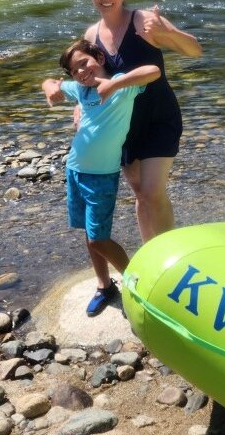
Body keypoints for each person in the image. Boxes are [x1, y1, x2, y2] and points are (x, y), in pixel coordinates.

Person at [82, 0, 202, 243]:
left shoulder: (143, 20)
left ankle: (171, 253)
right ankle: (151, 253)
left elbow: (195, 50)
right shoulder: (91, 36)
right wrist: (79, 109)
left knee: (151, 191)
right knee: (140, 193)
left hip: (159, 116)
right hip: (123, 125)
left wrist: (168, 33)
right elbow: (90, 81)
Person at [42, 38, 160, 316]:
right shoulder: (82, 91)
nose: (81, 72)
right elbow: (50, 82)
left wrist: (115, 84)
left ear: (100, 58)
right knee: (89, 232)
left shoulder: (123, 86)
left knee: (97, 238)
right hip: (75, 170)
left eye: (84, 63)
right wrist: (50, 87)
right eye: (74, 71)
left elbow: (153, 71)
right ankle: (104, 285)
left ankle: (136, 282)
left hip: (101, 175)